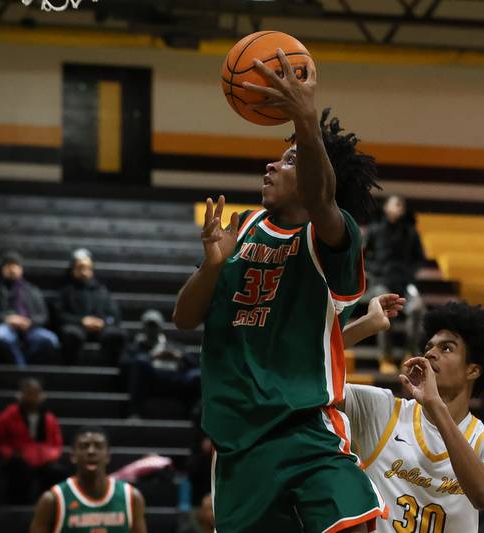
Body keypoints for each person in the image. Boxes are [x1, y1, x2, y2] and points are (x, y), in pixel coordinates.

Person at [172, 49, 385, 533]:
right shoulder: (242, 228)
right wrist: (211, 267)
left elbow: (322, 197)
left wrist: (305, 118)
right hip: (239, 441)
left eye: (290, 160)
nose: (271, 165)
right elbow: (183, 318)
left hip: (305, 429)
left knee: (352, 520)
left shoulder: (329, 237)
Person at [341, 299, 484, 532]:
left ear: (472, 370)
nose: (431, 353)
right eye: (428, 347)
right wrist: (365, 325)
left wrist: (436, 406)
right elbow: (306, 372)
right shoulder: (382, 410)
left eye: (446, 348)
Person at [29, 427, 147, 533]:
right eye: (84, 446)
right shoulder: (52, 500)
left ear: (108, 456)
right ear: (73, 456)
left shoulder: (131, 497)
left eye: (98, 446)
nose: (91, 451)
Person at [362, 195, 427, 373]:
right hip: (381, 282)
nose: (400, 208)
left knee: (417, 308)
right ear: (386, 208)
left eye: (402, 206)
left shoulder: (411, 232)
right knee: (385, 308)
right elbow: (362, 257)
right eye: (396, 205)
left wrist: (409, 273)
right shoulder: (375, 230)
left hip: (405, 284)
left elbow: (419, 258)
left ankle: (410, 354)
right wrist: (376, 270)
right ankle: (385, 357)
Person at [0, 251, 60, 367]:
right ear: (2, 269)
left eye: (16, 266)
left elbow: (44, 316)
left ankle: (22, 365)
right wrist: (7, 319)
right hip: (6, 326)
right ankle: (22, 369)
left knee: (51, 339)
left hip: (29, 327)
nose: (12, 270)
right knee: (0, 335)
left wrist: (29, 322)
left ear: (21, 269)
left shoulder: (32, 290)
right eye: (9, 266)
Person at [0, 377, 64, 504]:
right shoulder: (8, 416)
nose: (32, 397)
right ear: (21, 395)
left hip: (44, 460)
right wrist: (11, 453)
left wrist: (48, 455)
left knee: (56, 472)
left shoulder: (49, 418)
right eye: (29, 393)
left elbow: (57, 443)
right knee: (19, 471)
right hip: (18, 459)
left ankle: (50, 506)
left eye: (35, 393)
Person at [122, 310, 200, 418]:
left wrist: (180, 356)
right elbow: (124, 365)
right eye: (149, 326)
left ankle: (195, 414)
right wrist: (151, 356)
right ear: (143, 327)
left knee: (196, 375)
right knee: (140, 361)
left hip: (174, 379)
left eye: (154, 326)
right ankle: (135, 412)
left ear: (161, 327)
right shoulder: (135, 347)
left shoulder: (174, 346)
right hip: (152, 382)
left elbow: (195, 364)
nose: (152, 329)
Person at [55, 249, 126, 366]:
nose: (84, 272)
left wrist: (102, 322)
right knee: (70, 334)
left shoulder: (101, 290)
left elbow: (115, 315)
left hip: (101, 327)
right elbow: (60, 315)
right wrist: (82, 321)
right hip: (76, 327)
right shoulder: (66, 291)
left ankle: (109, 371)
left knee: (116, 335)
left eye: (88, 268)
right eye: (80, 268)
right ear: (73, 269)